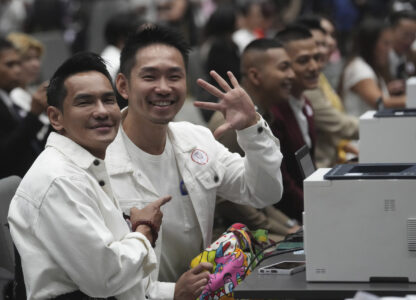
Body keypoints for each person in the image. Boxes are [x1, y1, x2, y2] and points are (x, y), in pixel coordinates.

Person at [106, 24, 283, 299]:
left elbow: (264, 192)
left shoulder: (197, 140)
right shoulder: (101, 161)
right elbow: (101, 271)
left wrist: (252, 127)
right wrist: (171, 292)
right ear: (123, 85)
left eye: (174, 76)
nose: (163, 88)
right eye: (150, 76)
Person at [8, 52, 175, 299]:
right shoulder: (59, 180)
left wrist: (176, 292)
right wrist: (144, 231)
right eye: (85, 102)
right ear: (55, 117)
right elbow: (106, 278)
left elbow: (125, 284)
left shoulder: (86, 165)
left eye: (108, 100)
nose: (102, 111)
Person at [209, 38, 300, 241]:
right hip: (231, 234)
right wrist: (280, 232)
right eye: (284, 68)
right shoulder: (229, 123)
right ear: (255, 76)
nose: (292, 76)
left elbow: (264, 187)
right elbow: (227, 199)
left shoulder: (266, 113)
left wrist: (289, 225)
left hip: (257, 222)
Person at [296, 16, 359, 168]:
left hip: (330, 161)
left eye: (331, 36)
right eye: (319, 43)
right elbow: (337, 124)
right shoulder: (308, 83)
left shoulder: (319, 76)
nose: (331, 43)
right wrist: (377, 125)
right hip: (323, 166)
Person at [273, 25, 319, 223]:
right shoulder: (275, 113)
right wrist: (318, 206)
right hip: (290, 216)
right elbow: (283, 185)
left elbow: (307, 166)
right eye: (303, 61)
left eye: (316, 58)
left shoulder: (305, 103)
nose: (314, 67)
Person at [0, 38, 47, 179]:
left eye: (19, 64)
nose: (18, 70)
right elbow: (4, 156)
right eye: (10, 65)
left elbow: (33, 145)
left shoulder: (8, 97)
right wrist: (33, 114)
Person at [339, 18, 406, 118]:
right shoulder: (360, 69)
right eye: (385, 44)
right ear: (370, 44)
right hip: (361, 131)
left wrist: (386, 90)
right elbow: (382, 103)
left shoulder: (366, 65)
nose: (389, 49)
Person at [7, 32, 51, 147]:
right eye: (28, 59)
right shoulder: (10, 98)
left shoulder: (32, 91)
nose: (36, 64)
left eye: (37, 58)